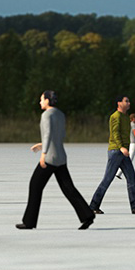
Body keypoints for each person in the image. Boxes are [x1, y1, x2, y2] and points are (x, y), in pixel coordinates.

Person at [18, 91, 92, 230]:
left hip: (50, 158)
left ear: (47, 100)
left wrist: (43, 154)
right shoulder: (60, 114)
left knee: (35, 185)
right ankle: (87, 215)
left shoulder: (46, 115)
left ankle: (29, 222)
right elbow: (59, 135)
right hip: (61, 156)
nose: (40, 102)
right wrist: (42, 146)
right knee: (68, 188)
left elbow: (47, 135)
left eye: (41, 99)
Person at [90, 94, 135, 215]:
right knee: (107, 179)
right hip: (116, 151)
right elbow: (115, 133)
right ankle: (93, 206)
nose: (129, 103)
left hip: (123, 153)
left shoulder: (126, 118)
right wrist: (121, 147)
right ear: (119, 103)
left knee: (131, 178)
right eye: (126, 101)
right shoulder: (115, 116)